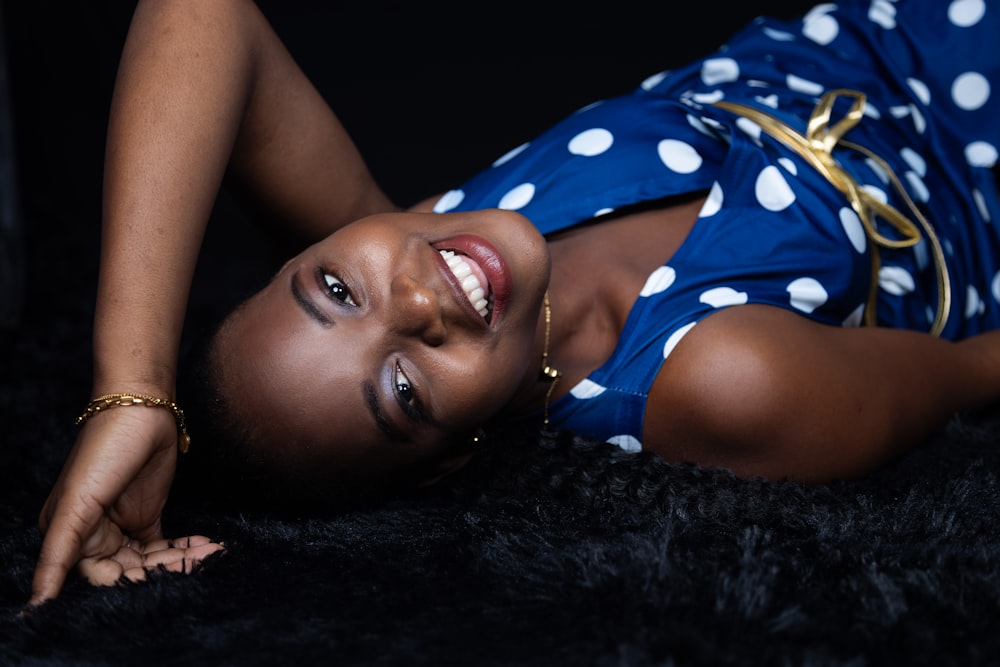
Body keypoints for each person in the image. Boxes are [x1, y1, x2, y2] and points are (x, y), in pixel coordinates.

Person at [28, 0, 1000, 605]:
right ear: (455, 453)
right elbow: (980, 365)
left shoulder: (420, 231)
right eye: (403, 387)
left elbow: (201, 13)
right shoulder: (722, 380)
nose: (415, 298)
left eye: (331, 286)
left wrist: (133, 387)